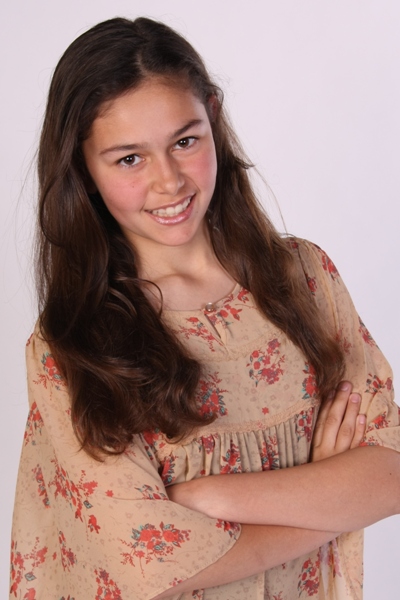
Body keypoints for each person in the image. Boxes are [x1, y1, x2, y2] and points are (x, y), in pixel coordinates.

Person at [9, 16, 400, 600]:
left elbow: (391, 471)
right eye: (129, 159)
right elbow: (151, 565)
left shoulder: (304, 279)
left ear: (212, 118)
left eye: (184, 142)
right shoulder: (73, 341)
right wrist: (325, 494)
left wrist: (210, 498)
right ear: (83, 170)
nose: (168, 181)